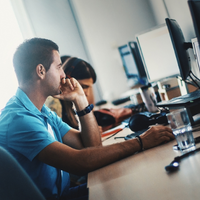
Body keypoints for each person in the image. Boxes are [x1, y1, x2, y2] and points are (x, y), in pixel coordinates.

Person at [0, 38, 174, 200]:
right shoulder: (19, 120)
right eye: (59, 67)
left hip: (65, 193)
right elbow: (80, 162)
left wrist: (80, 100)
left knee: (129, 178)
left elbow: (91, 146)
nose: (64, 75)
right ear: (41, 71)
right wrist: (141, 142)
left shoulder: (41, 111)